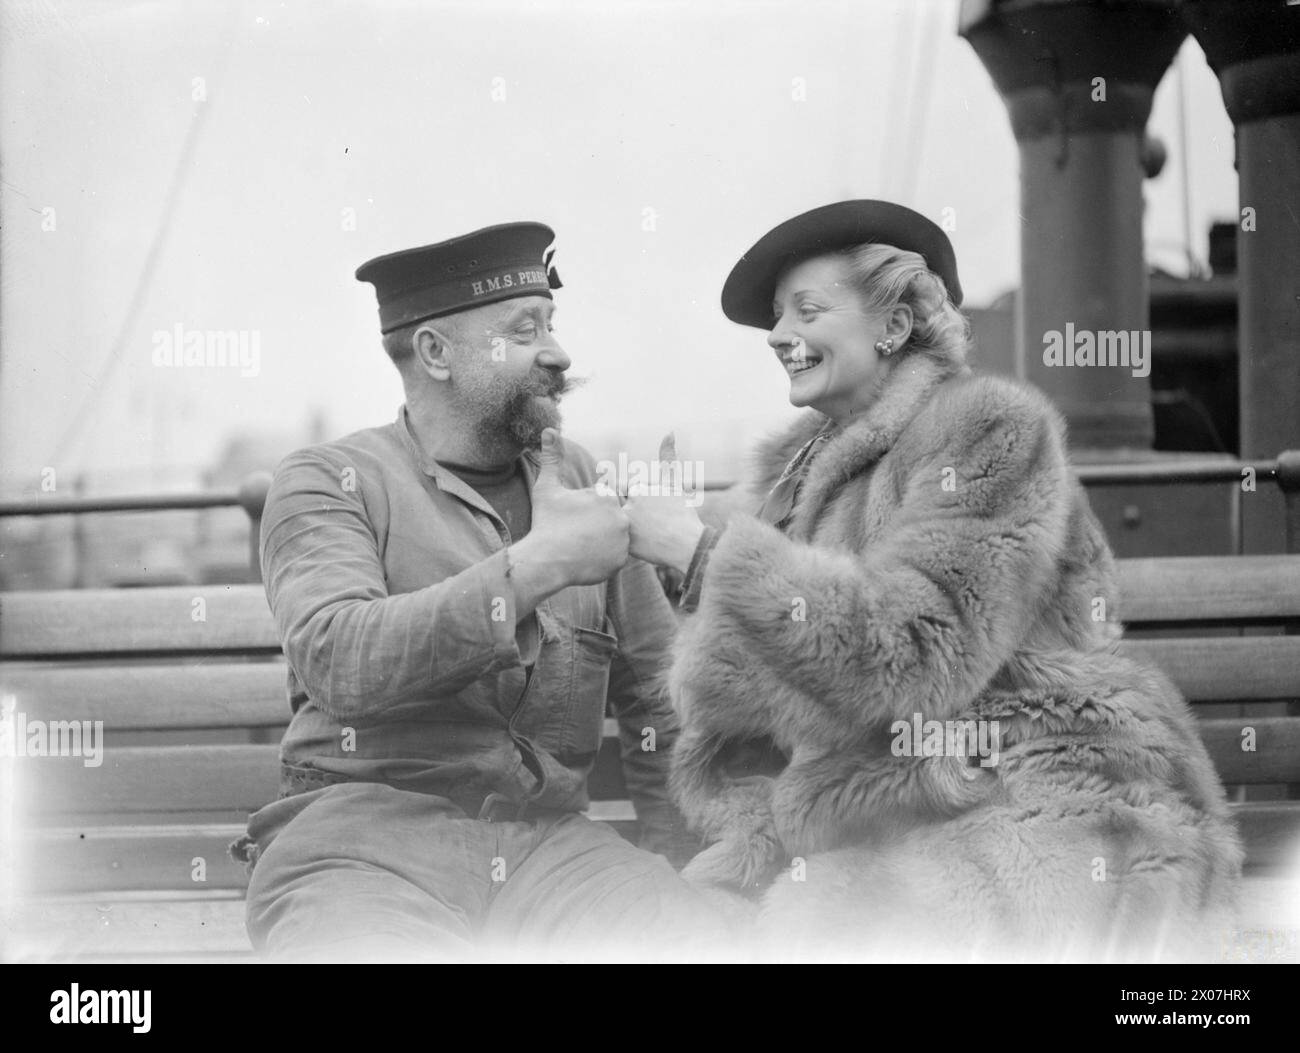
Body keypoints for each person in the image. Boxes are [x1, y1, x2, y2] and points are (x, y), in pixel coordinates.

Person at [621, 200, 1243, 961]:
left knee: (838, 924)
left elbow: (912, 653)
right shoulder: (794, 475)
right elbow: (770, 693)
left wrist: (702, 557)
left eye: (807, 309)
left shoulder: (990, 429)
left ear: (892, 325)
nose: (780, 335)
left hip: (1039, 784)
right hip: (885, 798)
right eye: (777, 318)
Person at [231, 221, 729, 962]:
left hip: (552, 854)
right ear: (435, 352)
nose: (557, 353)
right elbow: (340, 658)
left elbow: (658, 698)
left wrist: (690, 870)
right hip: (363, 851)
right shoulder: (328, 481)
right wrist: (536, 567)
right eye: (525, 329)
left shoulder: (582, 482)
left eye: (552, 325)